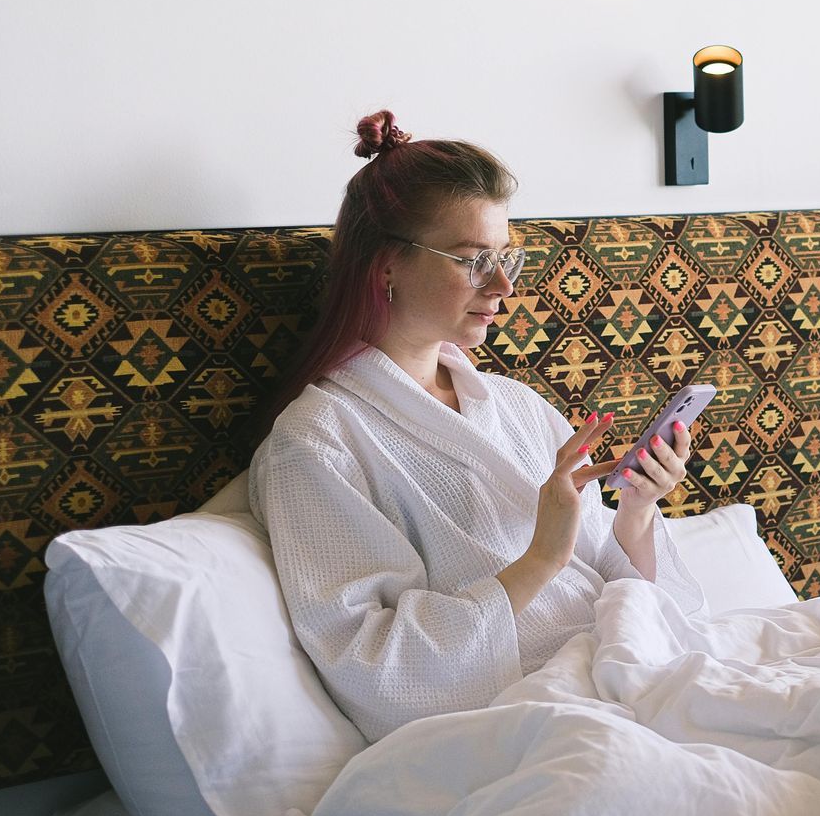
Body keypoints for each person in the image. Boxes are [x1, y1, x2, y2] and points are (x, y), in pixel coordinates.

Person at [250, 111, 706, 742]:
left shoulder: (516, 405)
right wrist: (541, 559)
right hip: (528, 719)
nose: (502, 286)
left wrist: (636, 508)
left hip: (628, 668)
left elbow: (624, 582)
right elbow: (376, 667)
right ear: (386, 266)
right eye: (473, 261)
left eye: (505, 258)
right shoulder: (318, 441)